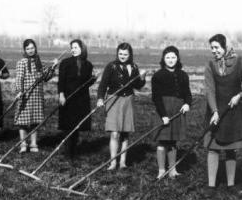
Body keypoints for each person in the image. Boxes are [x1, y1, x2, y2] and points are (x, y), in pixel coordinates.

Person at [204, 34, 242, 193]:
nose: (214, 51)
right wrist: (214, 111)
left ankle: (231, 184)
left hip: (234, 112)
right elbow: (210, 90)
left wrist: (239, 96)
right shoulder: (210, 65)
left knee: (230, 149)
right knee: (213, 148)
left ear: (225, 46)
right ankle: (211, 186)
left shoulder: (241, 62)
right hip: (216, 111)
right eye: (212, 48)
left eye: (217, 47)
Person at [97, 42, 147, 170]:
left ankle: (123, 162)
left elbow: (138, 85)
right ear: (117, 53)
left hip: (128, 101)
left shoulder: (134, 67)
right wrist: (100, 98)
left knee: (125, 133)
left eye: (125, 54)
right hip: (114, 100)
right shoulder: (111, 66)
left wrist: (143, 77)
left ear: (130, 54)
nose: (122, 56)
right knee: (114, 133)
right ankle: (113, 162)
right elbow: (103, 84)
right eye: (120, 54)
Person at [151, 45, 192, 178]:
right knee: (162, 141)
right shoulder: (157, 76)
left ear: (177, 58)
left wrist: (187, 104)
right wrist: (163, 115)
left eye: (173, 57)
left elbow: (188, 93)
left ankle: (173, 170)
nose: (170, 60)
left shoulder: (183, 75)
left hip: (177, 109)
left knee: (173, 142)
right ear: (163, 59)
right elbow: (156, 98)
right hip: (163, 109)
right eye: (168, 57)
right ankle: (162, 170)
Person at [14, 39, 56, 153]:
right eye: (28, 49)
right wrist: (19, 91)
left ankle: (33, 144)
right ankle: (23, 144)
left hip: (37, 96)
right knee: (22, 121)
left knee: (35, 121)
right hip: (25, 95)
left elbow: (46, 78)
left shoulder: (39, 62)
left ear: (35, 48)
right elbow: (19, 78)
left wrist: (53, 67)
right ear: (24, 50)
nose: (30, 50)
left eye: (32, 48)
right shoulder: (21, 62)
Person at [58, 39, 95, 159]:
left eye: (76, 47)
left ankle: (74, 151)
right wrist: (61, 94)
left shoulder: (88, 65)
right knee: (68, 126)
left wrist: (93, 80)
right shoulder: (65, 63)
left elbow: (86, 83)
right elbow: (61, 81)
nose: (73, 50)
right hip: (68, 98)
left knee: (77, 126)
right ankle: (68, 153)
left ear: (82, 48)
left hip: (81, 99)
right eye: (72, 48)